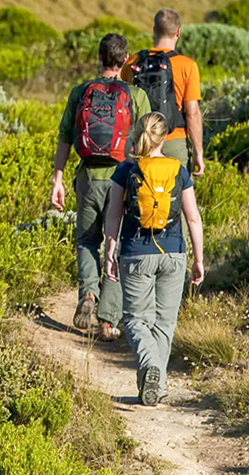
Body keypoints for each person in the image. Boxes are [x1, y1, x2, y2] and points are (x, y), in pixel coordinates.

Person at [51, 32, 151, 340]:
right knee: (116, 243)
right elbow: (146, 141)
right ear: (124, 61)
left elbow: (65, 136)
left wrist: (57, 177)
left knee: (86, 241)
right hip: (121, 179)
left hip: (87, 178)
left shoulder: (80, 91)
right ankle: (108, 320)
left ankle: (88, 295)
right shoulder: (136, 96)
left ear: (100, 57)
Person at [103, 112, 205, 406]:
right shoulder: (179, 170)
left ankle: (150, 371)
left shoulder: (125, 170)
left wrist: (110, 247)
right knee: (163, 324)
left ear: (138, 135)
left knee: (135, 320)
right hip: (173, 253)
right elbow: (193, 218)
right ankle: (154, 386)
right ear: (164, 137)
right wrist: (198, 258)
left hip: (136, 253)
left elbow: (113, 214)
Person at [129, 8, 205, 176]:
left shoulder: (134, 62)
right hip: (173, 141)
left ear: (154, 29)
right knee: (177, 197)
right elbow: (192, 113)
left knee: (139, 196)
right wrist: (198, 152)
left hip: (141, 141)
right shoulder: (187, 65)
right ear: (178, 31)